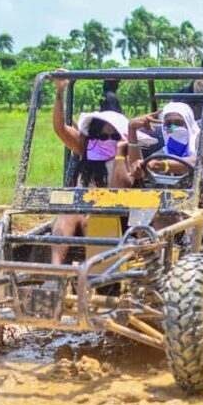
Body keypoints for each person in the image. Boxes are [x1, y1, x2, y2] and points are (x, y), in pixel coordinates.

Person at [50, 75, 130, 264]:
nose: (107, 140)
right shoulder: (87, 147)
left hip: (115, 211)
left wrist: (120, 153)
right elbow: (60, 129)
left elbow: (123, 185)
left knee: (93, 219)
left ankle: (95, 276)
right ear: (94, 134)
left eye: (113, 136)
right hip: (81, 206)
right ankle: (55, 272)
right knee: (68, 215)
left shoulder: (126, 155)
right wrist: (60, 91)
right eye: (102, 136)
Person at [118, 101, 203, 234]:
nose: (173, 128)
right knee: (149, 199)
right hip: (178, 207)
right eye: (168, 124)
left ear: (188, 123)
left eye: (178, 123)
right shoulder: (165, 152)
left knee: (165, 211)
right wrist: (132, 130)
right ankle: (138, 238)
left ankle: (157, 243)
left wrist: (164, 165)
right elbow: (138, 171)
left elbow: (196, 163)